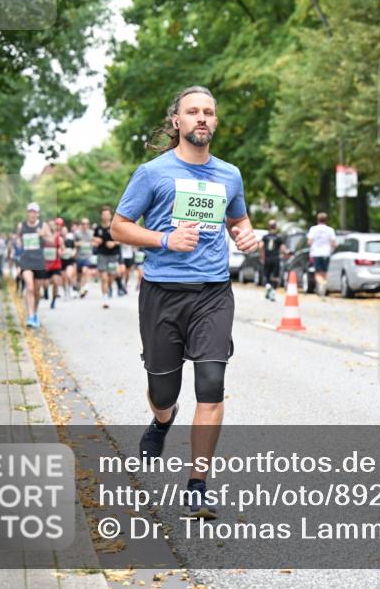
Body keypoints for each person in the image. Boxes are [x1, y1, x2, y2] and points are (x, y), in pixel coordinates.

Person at [112, 85, 259, 519]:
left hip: (213, 293)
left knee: (211, 386)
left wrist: (246, 234)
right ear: (176, 121)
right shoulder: (153, 173)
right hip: (162, 294)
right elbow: (120, 228)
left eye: (208, 112)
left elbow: (238, 217)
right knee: (163, 390)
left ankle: (198, 484)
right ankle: (162, 421)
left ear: (215, 121)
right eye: (192, 111)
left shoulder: (229, 174)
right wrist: (164, 239)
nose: (201, 118)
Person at [15, 202, 53, 328]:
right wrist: (19, 242)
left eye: (35, 212)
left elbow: (52, 240)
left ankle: (35, 313)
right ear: (27, 213)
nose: (32, 214)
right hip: (26, 260)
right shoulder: (21, 225)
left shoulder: (43, 225)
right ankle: (30, 316)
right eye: (30, 211)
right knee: (30, 287)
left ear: (38, 213)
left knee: (37, 291)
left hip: (39, 261)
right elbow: (17, 239)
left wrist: (44, 235)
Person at [93, 206, 120, 309]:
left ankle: (108, 289)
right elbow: (93, 239)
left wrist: (113, 243)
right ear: (101, 216)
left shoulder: (115, 227)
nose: (105, 216)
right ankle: (105, 299)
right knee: (104, 278)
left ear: (110, 215)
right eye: (103, 214)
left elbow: (122, 239)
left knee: (111, 276)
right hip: (102, 255)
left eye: (107, 214)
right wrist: (96, 241)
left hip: (113, 255)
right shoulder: (98, 228)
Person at [307, 212, 337, 296]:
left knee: (317, 274)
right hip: (326, 253)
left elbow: (309, 242)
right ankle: (322, 291)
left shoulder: (313, 229)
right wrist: (331, 249)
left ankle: (322, 284)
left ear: (317, 220)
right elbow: (334, 243)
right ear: (326, 220)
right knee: (324, 273)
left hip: (316, 253)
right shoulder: (330, 230)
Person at [260, 220, 287, 300]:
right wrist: (285, 254)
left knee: (267, 275)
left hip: (267, 258)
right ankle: (273, 292)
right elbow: (283, 249)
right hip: (276, 258)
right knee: (275, 276)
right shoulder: (278, 237)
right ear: (276, 227)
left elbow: (260, 246)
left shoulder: (265, 237)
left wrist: (262, 256)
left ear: (269, 227)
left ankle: (268, 286)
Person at [74, 217, 95, 298]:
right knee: (79, 275)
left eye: (86, 224)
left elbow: (95, 241)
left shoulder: (91, 233)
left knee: (85, 271)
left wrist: (93, 243)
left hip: (88, 256)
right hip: (79, 256)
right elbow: (73, 244)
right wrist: (79, 243)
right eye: (83, 224)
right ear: (81, 225)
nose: (85, 225)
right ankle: (78, 287)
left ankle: (83, 288)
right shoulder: (77, 233)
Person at [59, 220, 78, 299]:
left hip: (70, 260)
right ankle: (65, 291)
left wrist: (73, 253)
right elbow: (57, 250)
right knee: (63, 279)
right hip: (61, 261)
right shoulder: (58, 241)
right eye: (62, 231)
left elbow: (75, 248)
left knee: (69, 275)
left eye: (65, 231)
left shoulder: (70, 241)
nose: (64, 232)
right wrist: (60, 252)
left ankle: (70, 289)